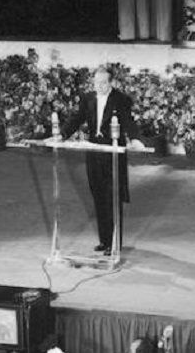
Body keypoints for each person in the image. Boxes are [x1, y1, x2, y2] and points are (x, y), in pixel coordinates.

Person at [57, 67, 138, 254]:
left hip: (112, 153)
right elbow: (77, 118)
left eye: (102, 83)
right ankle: (104, 240)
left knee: (112, 197)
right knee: (98, 196)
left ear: (111, 83)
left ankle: (114, 243)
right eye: (96, 83)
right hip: (94, 152)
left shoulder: (121, 99)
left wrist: (135, 139)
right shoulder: (88, 98)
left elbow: (128, 121)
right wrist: (62, 135)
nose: (98, 86)